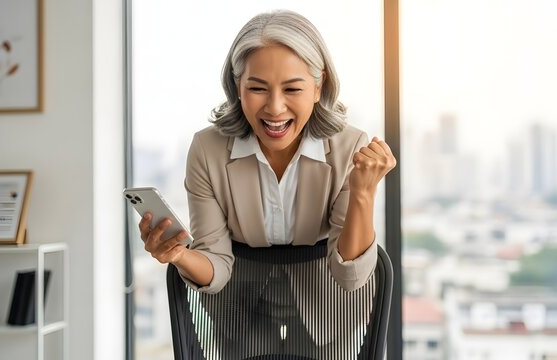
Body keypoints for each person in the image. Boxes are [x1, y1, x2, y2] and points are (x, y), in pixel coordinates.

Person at [138, 9, 396, 357]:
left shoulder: (349, 146)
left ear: (319, 86)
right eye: (257, 88)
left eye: (292, 88)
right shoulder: (208, 150)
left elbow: (349, 275)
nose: (274, 108)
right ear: (237, 87)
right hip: (239, 313)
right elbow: (216, 264)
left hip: (330, 312)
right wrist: (180, 255)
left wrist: (364, 192)